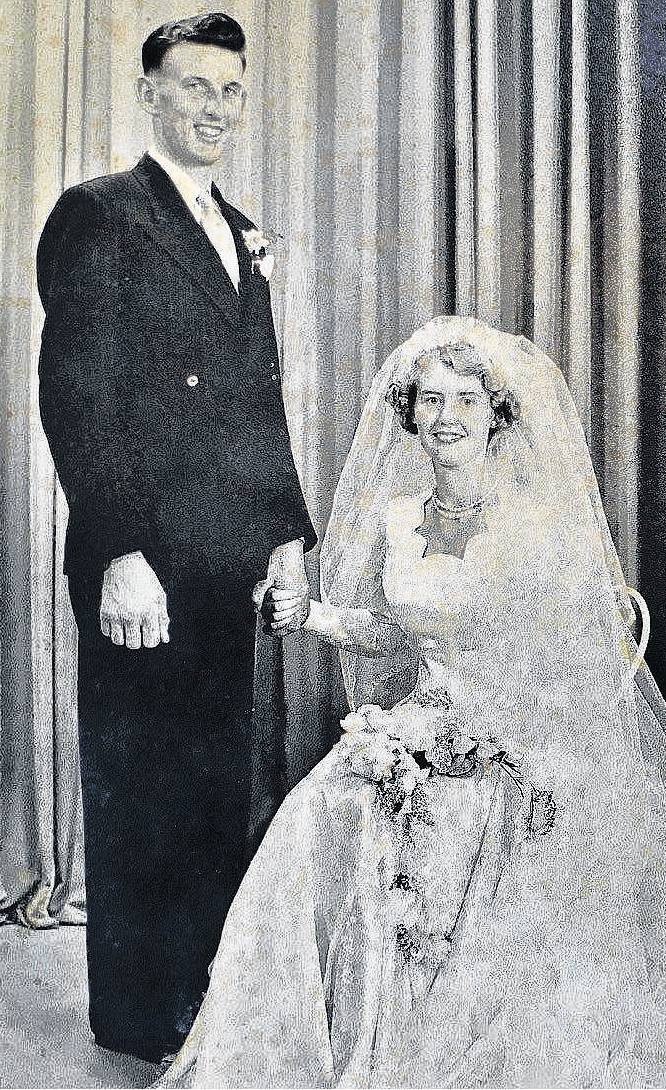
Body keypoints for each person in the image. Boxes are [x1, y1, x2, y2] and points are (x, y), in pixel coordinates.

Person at [164, 316, 666, 1087]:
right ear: (408, 414)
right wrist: (310, 615)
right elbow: (397, 634)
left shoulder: (538, 524)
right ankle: (350, 1036)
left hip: (527, 734)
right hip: (422, 722)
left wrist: (506, 743)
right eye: (430, 400)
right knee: (319, 812)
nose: (447, 417)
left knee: (474, 817)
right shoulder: (397, 519)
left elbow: (568, 658)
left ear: (497, 414)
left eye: (466, 401)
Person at [36, 13, 315, 1063]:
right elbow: (77, 396)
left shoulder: (238, 227)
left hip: (223, 560)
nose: (214, 107)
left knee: (206, 786)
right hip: (143, 562)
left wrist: (286, 538)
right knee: (141, 786)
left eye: (230, 90)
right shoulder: (102, 215)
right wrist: (118, 553)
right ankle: (140, 1016)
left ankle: (200, 998)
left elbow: (259, 406)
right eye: (194, 86)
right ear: (150, 93)